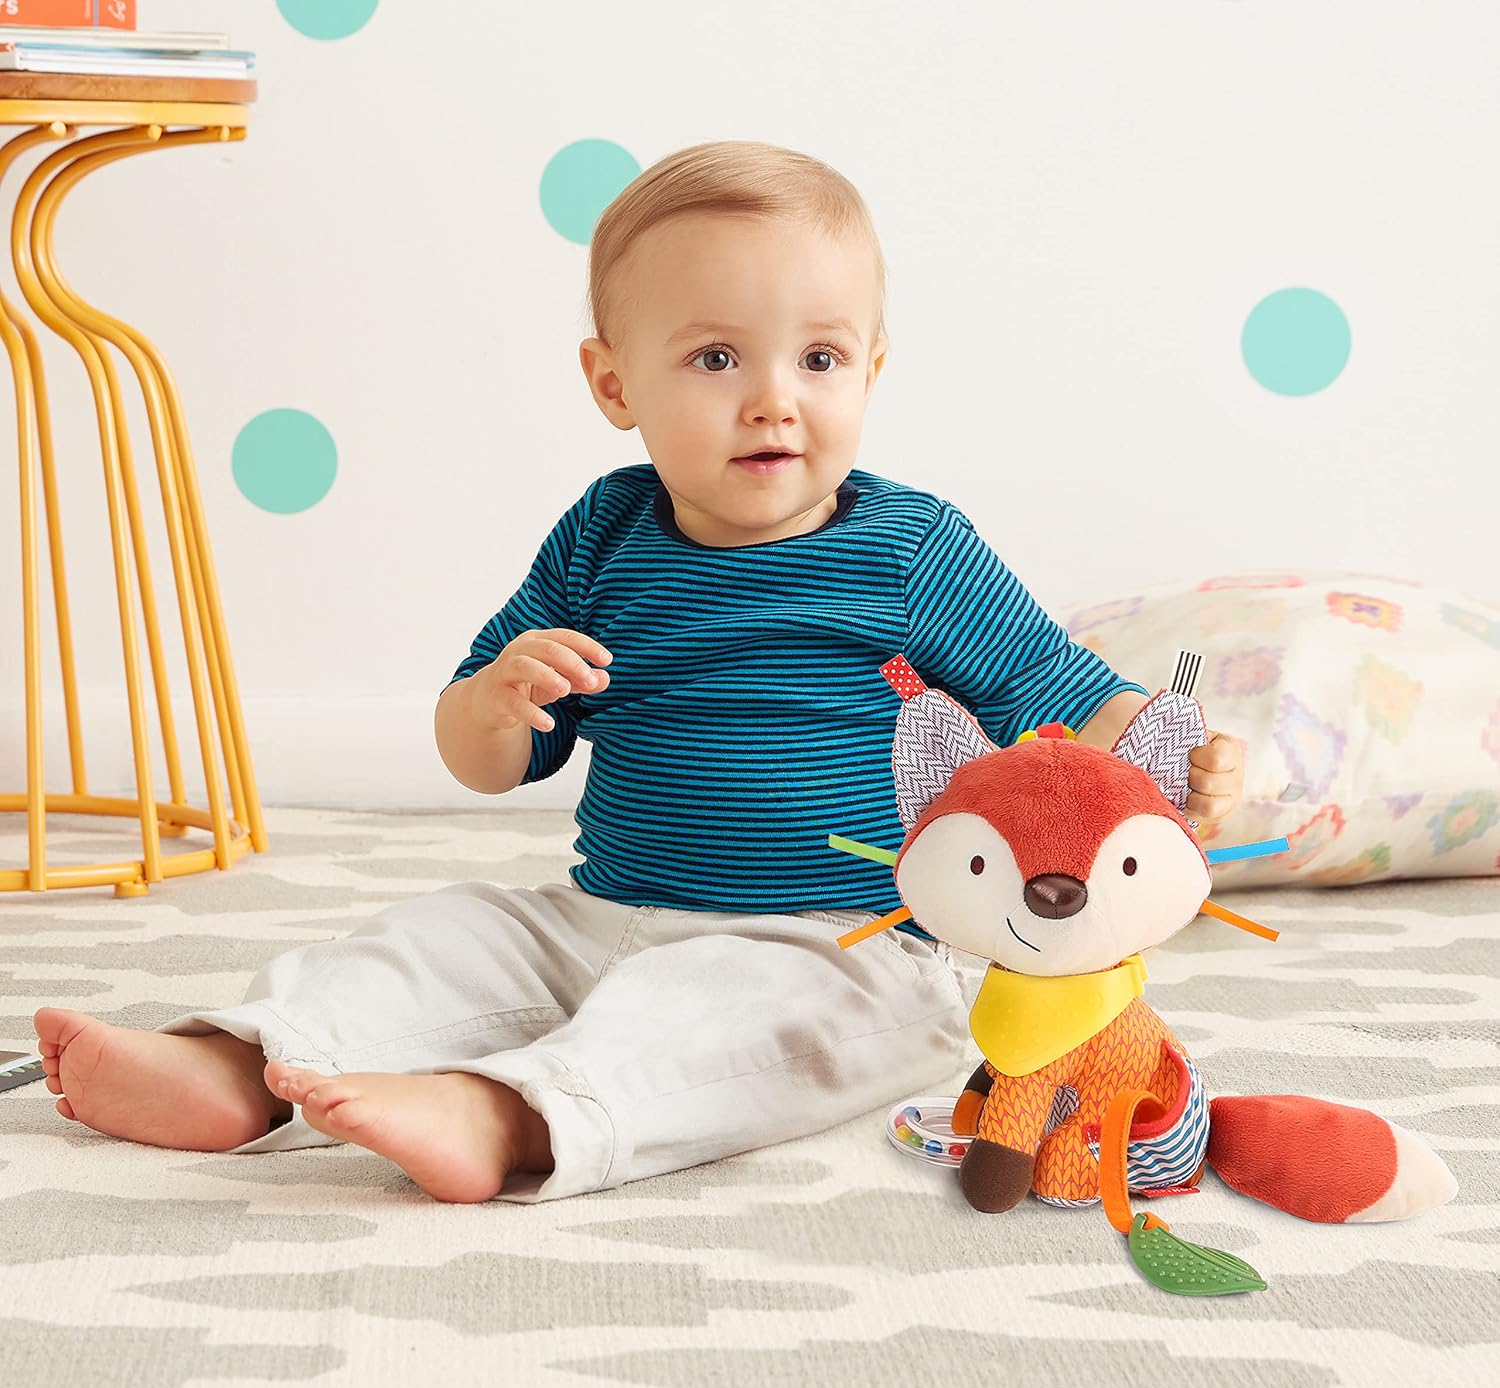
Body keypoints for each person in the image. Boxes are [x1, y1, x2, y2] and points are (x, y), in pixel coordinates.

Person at [33, 141, 1244, 1204]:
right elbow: (482, 759)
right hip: (602, 915)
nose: (774, 399)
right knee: (445, 938)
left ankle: (509, 1117)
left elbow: (1063, 692)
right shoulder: (604, 537)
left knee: (718, 1034)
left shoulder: (911, 550)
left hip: (845, 947)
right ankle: (243, 1063)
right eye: (717, 358)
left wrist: (1168, 758)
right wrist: (496, 699)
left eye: (819, 358)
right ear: (615, 383)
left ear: (871, 371)